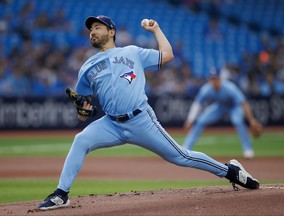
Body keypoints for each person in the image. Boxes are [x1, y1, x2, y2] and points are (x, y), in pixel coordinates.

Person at [38, 15, 259, 210]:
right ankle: (61, 194)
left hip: (141, 120)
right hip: (111, 124)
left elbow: (168, 55)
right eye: (91, 29)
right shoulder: (86, 67)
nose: (93, 32)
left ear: (111, 31)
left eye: (98, 27)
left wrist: (156, 30)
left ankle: (229, 171)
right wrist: (83, 111)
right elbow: (82, 111)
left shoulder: (132, 52)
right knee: (81, 140)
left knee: (181, 156)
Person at [183, 67, 262, 159]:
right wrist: (190, 119)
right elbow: (197, 103)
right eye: (211, 78)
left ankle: (248, 149)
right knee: (201, 120)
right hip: (220, 106)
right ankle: (186, 147)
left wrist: (251, 120)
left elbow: (243, 103)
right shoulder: (207, 89)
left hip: (234, 107)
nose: (213, 81)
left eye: (215, 78)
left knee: (237, 121)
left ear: (220, 78)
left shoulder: (229, 87)